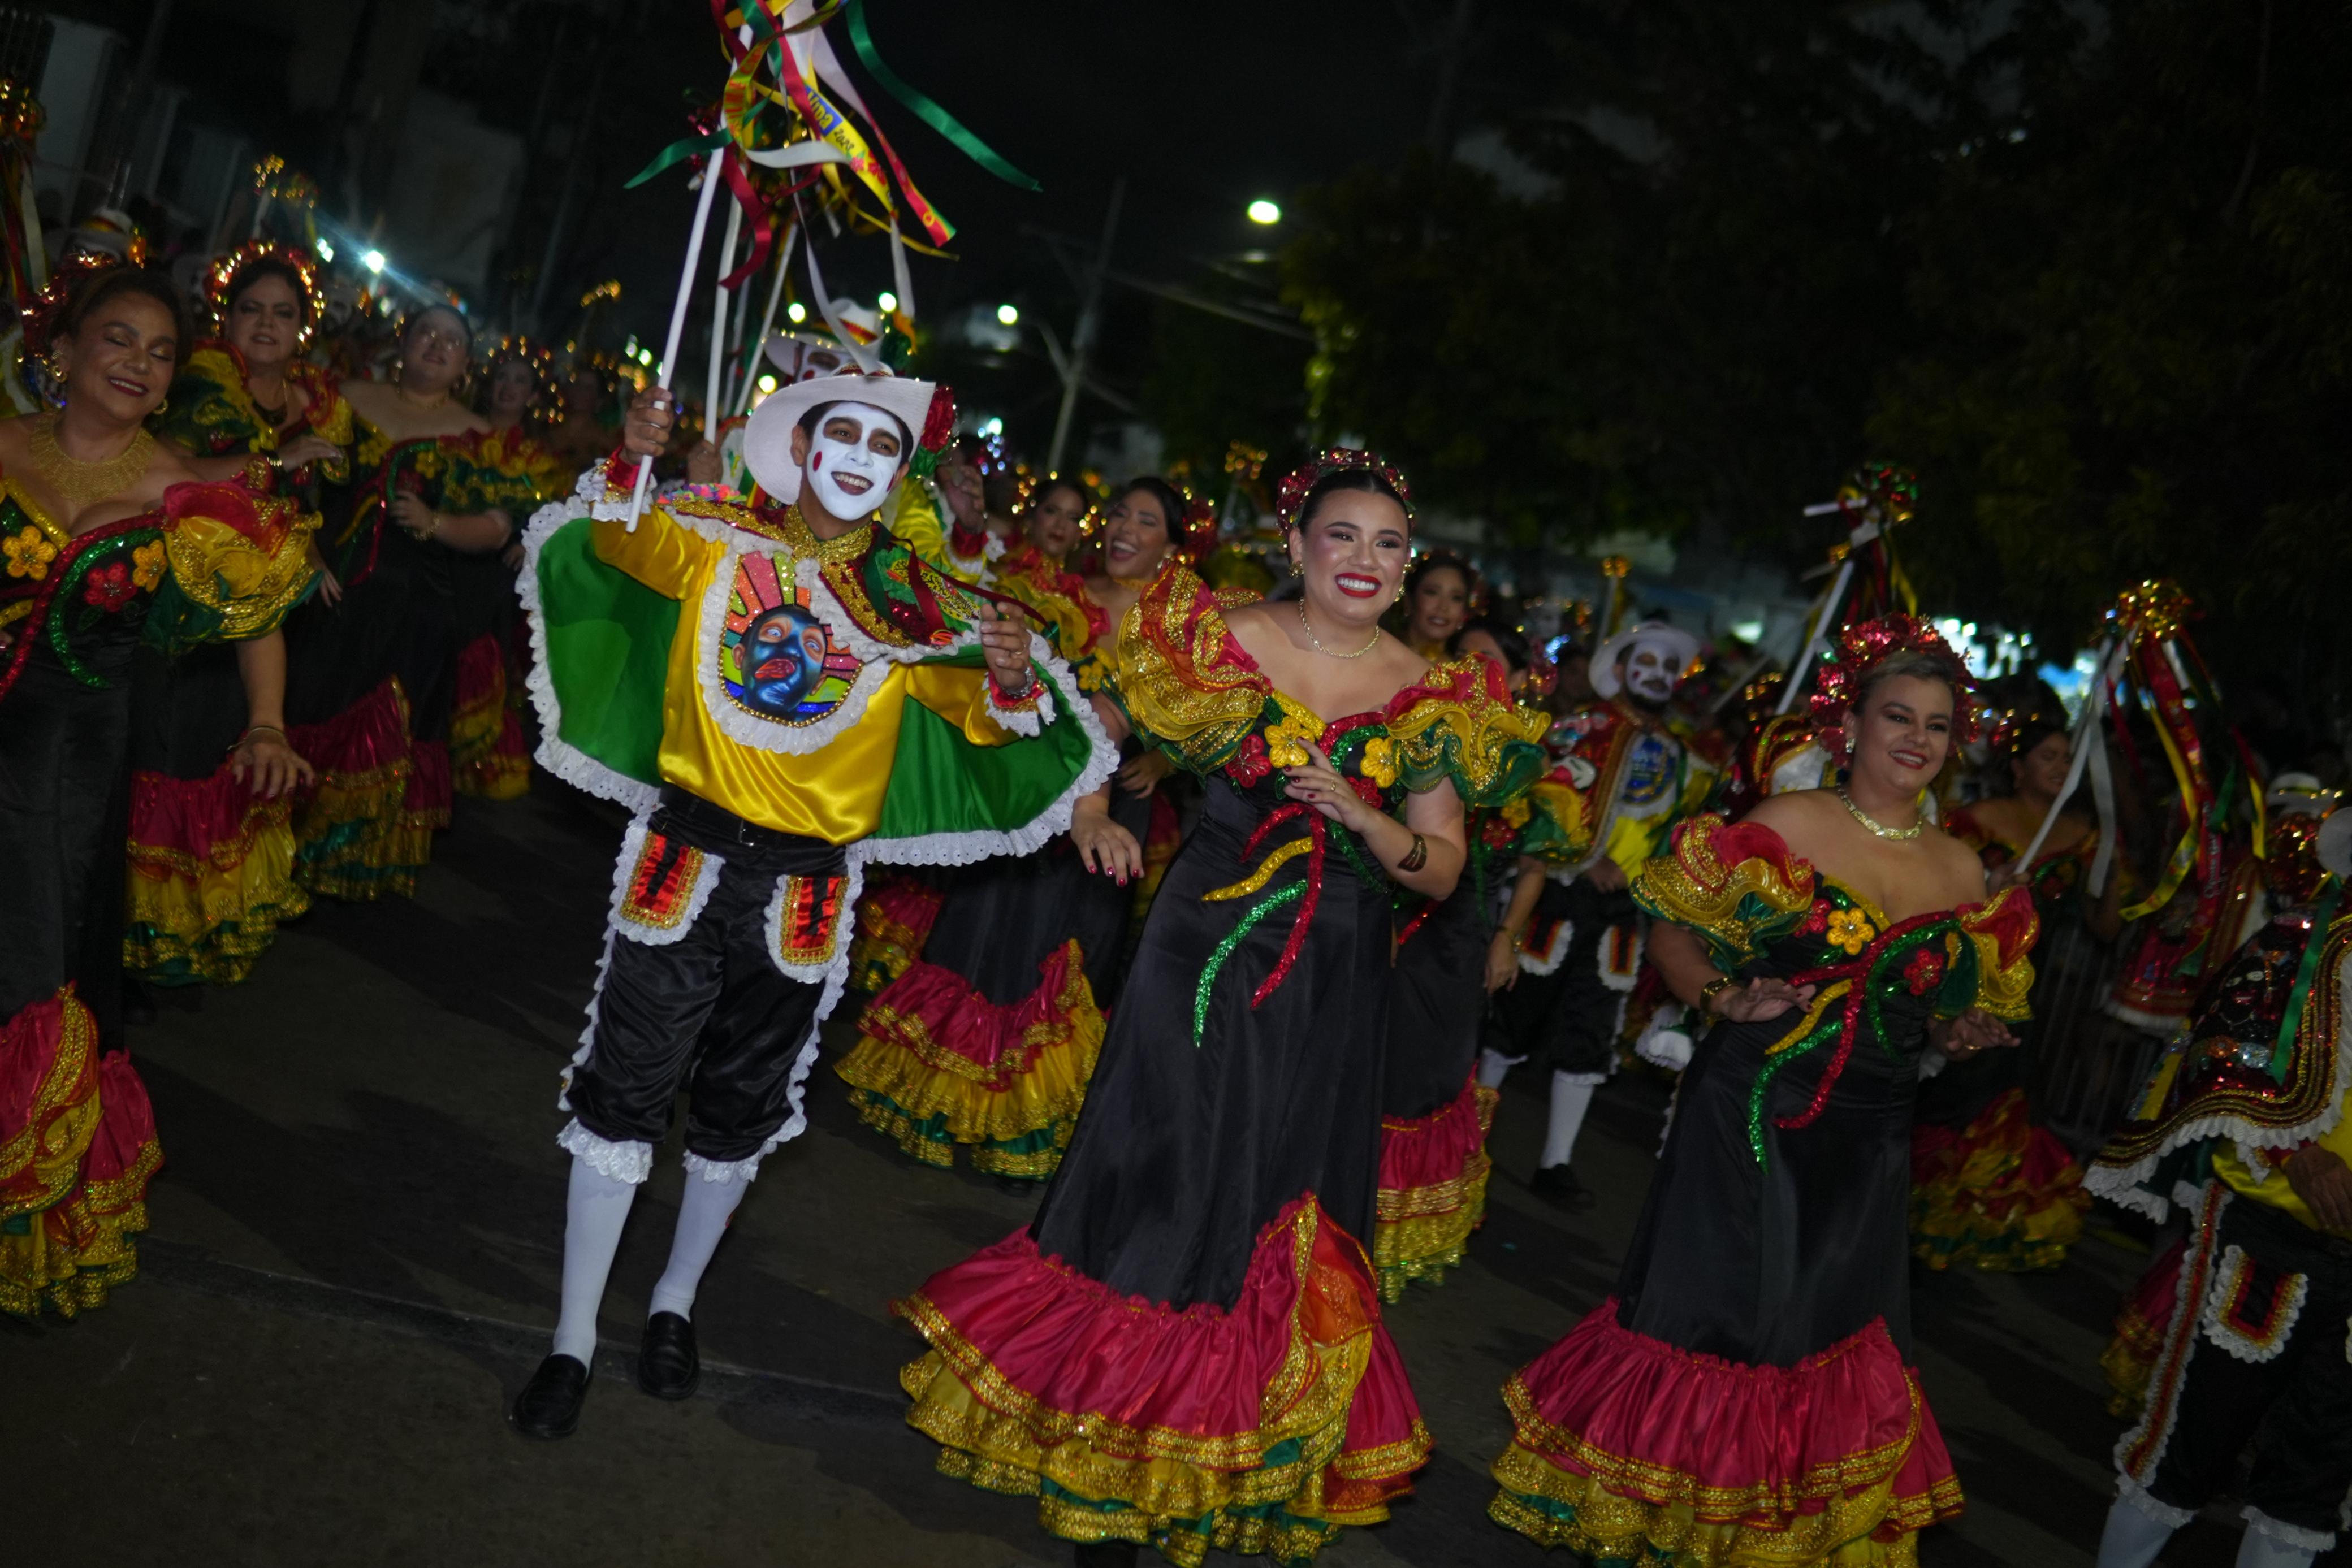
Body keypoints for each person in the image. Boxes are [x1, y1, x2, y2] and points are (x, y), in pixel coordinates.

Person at [895, 449, 1547, 1566]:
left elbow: (1438, 867)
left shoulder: (1435, 694)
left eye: (1387, 545)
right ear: (1296, 545)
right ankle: (1110, 1433)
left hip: (1334, 970)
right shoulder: (1220, 638)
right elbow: (1093, 719)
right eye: (1342, 536)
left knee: (1272, 1190)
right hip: (1197, 942)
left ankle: (1215, 1444)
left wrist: (1364, 815)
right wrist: (1094, 809)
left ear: (1404, 574)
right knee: (1163, 1167)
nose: (1365, 560)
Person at [509, 366, 1113, 1439]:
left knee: (741, 1106)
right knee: (622, 1094)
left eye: (884, 449)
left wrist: (1009, 668)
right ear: (802, 445)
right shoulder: (717, 538)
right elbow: (615, 535)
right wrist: (639, 447)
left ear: (898, 476)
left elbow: (993, 719)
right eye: (843, 435)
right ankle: (570, 1338)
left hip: (803, 888)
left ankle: (673, 1302)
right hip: (683, 859)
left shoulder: (917, 603)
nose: (858, 460)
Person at [1488, 616, 2036, 1564]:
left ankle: (1753, 1534)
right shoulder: (1787, 826)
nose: (1916, 738)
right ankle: (1663, 1516)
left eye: (1938, 725)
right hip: (1750, 1106)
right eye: (1897, 715)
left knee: (1818, 1334)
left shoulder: (1961, 867)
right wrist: (1724, 993)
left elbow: (1935, 1002)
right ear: (1849, 725)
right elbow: (1671, 932)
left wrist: (1958, 1024)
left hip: (1870, 1135)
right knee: (1717, 1319)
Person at [0, 265, 317, 1316]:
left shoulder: (178, 488)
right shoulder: (2, 446)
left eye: (160, 352)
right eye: (118, 341)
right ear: (65, 348)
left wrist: (266, 723)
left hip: (63, 769)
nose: (139, 364)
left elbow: (257, 615)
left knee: (31, 963)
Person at [835, 477, 1195, 1178]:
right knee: (980, 932)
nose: (1123, 528)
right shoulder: (1055, 597)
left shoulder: (1181, 631)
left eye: (1145, 520)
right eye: (1118, 512)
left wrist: (1162, 757)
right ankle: (942, 1101)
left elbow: (1207, 718)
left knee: (1060, 954)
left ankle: (1014, 1123)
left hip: (1109, 807)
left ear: (1172, 547)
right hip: (1028, 788)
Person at [2085, 803, 2352, 1568]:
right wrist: (2297, 1150)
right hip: (2270, 1242)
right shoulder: (2293, 951)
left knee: (2314, 1477)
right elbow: (2219, 1054)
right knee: (2191, 1440)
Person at [131, 243, 345, 986]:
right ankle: (130, 947)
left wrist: (312, 554)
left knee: (239, 753)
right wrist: (272, 466)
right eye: (251, 308)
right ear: (227, 315)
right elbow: (169, 473)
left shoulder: (315, 403)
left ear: (303, 328)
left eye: (283, 313)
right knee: (174, 757)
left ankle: (177, 940)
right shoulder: (200, 386)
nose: (266, 323)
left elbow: (302, 511)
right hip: (192, 612)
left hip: (276, 616)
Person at [284, 304, 546, 896]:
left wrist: (435, 523)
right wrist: (305, 549)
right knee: (305, 704)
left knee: (386, 728)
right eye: (426, 331)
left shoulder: (478, 437)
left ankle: (345, 861)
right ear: (403, 342)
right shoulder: (342, 396)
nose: (437, 343)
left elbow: (498, 525)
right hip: (326, 593)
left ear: (464, 365)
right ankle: (277, 849)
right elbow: (291, 481)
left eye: (452, 340)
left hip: (417, 608)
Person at [1477, 619, 1718, 1210]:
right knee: (1513, 1011)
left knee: (1592, 1027)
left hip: (1621, 913)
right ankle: (1466, 1137)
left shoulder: (1684, 760)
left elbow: (1672, 837)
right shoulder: (1579, 728)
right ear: (1621, 668)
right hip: (1555, 890)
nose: (1657, 675)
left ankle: (1554, 1161)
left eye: (1668, 666)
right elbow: (1538, 795)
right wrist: (1584, 859)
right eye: (1647, 662)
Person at [1374, 615, 1555, 1299]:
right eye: (1465, 659)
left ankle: (1392, 1240)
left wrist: (1506, 936)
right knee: (1368, 1061)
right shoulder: (1411, 730)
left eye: (1492, 664)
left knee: (1429, 1078)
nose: (1475, 673)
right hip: (1392, 914)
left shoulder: (1519, 762)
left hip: (1458, 938)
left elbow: (1533, 865)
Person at [1910, 700, 2121, 1270]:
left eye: (2067, 756)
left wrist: (2118, 872)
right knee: (1951, 1083)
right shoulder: (1973, 819)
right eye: (2046, 755)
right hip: (1971, 972)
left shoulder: (2086, 835)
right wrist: (1988, 887)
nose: (2060, 765)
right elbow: (1935, 898)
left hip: (2040, 988)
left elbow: (2105, 925)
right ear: (2017, 765)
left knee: (2008, 1088)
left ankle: (1975, 1216)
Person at [1391, 547, 1476, 659]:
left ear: (1464, 612)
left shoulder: (1463, 673)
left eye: (1456, 598)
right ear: (1409, 601)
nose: (1443, 607)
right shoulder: (1377, 656)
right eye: (1432, 593)